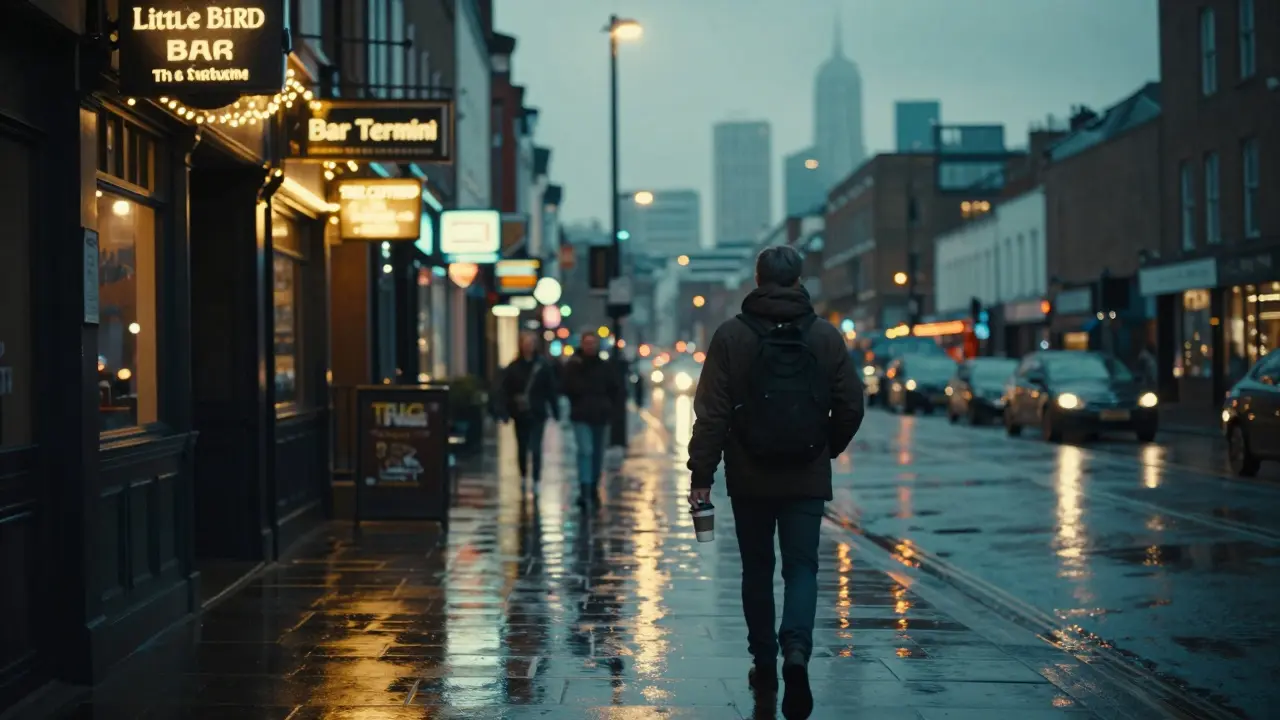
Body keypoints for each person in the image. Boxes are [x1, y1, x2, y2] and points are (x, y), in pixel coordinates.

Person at [686, 245, 863, 720]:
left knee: (757, 569)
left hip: (750, 474)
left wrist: (702, 476)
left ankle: (764, 662)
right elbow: (852, 406)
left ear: (758, 277)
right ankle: (796, 652)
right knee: (802, 569)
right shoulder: (825, 336)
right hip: (805, 475)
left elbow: (712, 414)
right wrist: (824, 447)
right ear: (799, 278)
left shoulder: (731, 336)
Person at [561, 332, 620, 506]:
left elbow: (614, 388)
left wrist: (610, 408)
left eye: (593, 343)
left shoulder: (604, 366)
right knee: (585, 451)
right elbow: (566, 386)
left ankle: (593, 487)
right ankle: (585, 489)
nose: (590, 346)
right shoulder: (574, 365)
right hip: (581, 415)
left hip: (600, 415)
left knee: (597, 454)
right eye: (587, 343)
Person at [496, 332, 559, 485]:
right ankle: (524, 474)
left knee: (536, 447)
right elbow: (505, 389)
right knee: (522, 445)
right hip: (520, 413)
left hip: (537, 412)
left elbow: (550, 389)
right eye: (526, 343)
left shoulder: (542, 366)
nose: (528, 346)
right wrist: (504, 411)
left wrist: (555, 409)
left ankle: (536, 478)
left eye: (531, 343)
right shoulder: (514, 367)